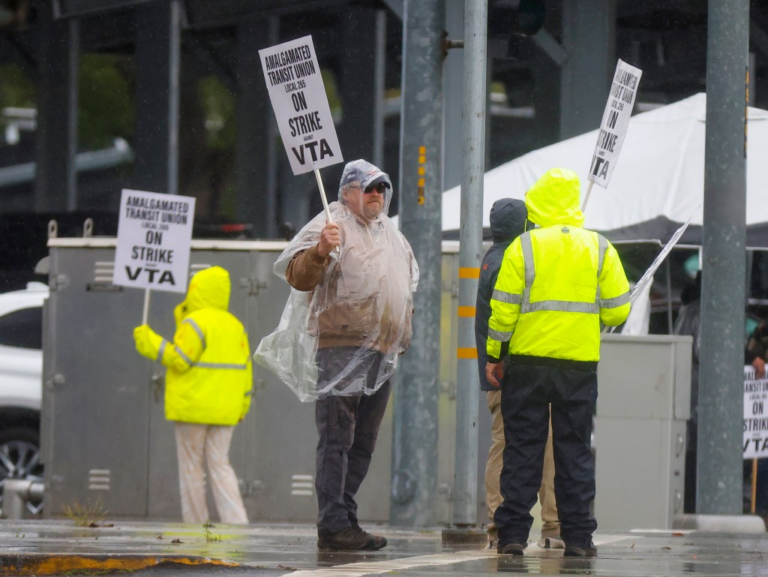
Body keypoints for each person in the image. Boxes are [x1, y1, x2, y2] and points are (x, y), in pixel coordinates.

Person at [485, 168, 630, 558]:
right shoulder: (599, 247)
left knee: (522, 449)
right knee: (574, 451)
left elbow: (503, 310)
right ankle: (578, 538)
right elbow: (618, 311)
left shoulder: (524, 247)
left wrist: (495, 356)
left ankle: (512, 535)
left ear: (539, 203)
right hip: (577, 366)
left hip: (527, 365)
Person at [277, 159, 418, 551]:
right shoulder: (331, 223)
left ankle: (345, 516)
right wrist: (321, 249)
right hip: (341, 348)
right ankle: (333, 523)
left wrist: (403, 331)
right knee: (337, 437)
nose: (376, 195)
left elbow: (405, 285)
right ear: (347, 191)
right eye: (368, 187)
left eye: (381, 188)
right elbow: (298, 276)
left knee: (364, 441)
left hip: (382, 351)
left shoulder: (391, 233)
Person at [133, 266, 252, 525]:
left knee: (191, 467)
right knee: (220, 464)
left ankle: (197, 523)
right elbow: (246, 371)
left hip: (192, 407)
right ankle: (237, 522)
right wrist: (243, 406)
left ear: (196, 290)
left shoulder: (194, 322)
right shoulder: (235, 325)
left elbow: (180, 359)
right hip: (226, 409)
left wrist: (149, 341)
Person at [475, 198, 562, 550]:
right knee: (535, 445)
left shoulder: (492, 258)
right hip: (513, 370)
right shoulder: (511, 261)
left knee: (508, 444)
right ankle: (545, 526)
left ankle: (502, 527)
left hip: (500, 370)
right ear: (523, 227)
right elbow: (509, 317)